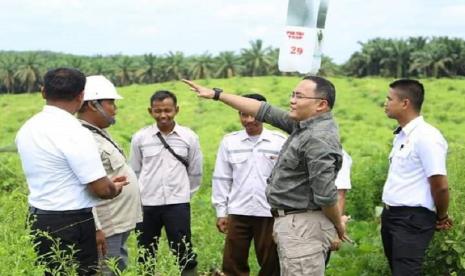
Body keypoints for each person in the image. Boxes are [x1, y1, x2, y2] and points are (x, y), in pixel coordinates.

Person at [183, 76, 349, 276]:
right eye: (292, 94)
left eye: (299, 96)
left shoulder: (317, 138)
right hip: (293, 223)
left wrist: (337, 224)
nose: (292, 100)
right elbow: (264, 110)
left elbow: (325, 194)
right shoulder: (304, 126)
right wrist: (216, 94)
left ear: (321, 105)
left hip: (302, 226)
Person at [15, 68, 127, 275]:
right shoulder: (76, 132)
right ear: (81, 95)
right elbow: (102, 190)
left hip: (40, 219)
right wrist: (115, 188)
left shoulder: (28, 128)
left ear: (43, 92)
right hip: (73, 223)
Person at [381, 79, 452, 275]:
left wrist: (441, 215)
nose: (385, 103)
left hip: (411, 218)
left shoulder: (427, 137)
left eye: (389, 99)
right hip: (392, 216)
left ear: (405, 103)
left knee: (407, 272)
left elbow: (440, 185)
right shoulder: (402, 136)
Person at [130, 90, 202, 276]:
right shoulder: (140, 138)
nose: (163, 115)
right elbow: (135, 170)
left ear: (176, 110)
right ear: (150, 111)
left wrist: (184, 195)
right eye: (158, 110)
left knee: (183, 251)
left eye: (168, 110)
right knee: (146, 252)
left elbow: (195, 172)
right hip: (147, 205)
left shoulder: (189, 137)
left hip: (177, 205)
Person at [212, 93, 286, 276]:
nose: (249, 119)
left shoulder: (279, 141)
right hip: (238, 211)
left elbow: (286, 178)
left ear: (264, 114)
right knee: (232, 263)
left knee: (271, 262)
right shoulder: (229, 141)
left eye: (253, 114)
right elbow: (222, 178)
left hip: (269, 212)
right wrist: (221, 212)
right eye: (244, 114)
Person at [77, 75, 142, 275]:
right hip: (108, 224)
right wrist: (96, 227)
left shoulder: (99, 133)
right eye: (111, 102)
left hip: (119, 220)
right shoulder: (82, 138)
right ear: (92, 105)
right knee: (108, 270)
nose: (115, 108)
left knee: (117, 267)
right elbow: (83, 187)